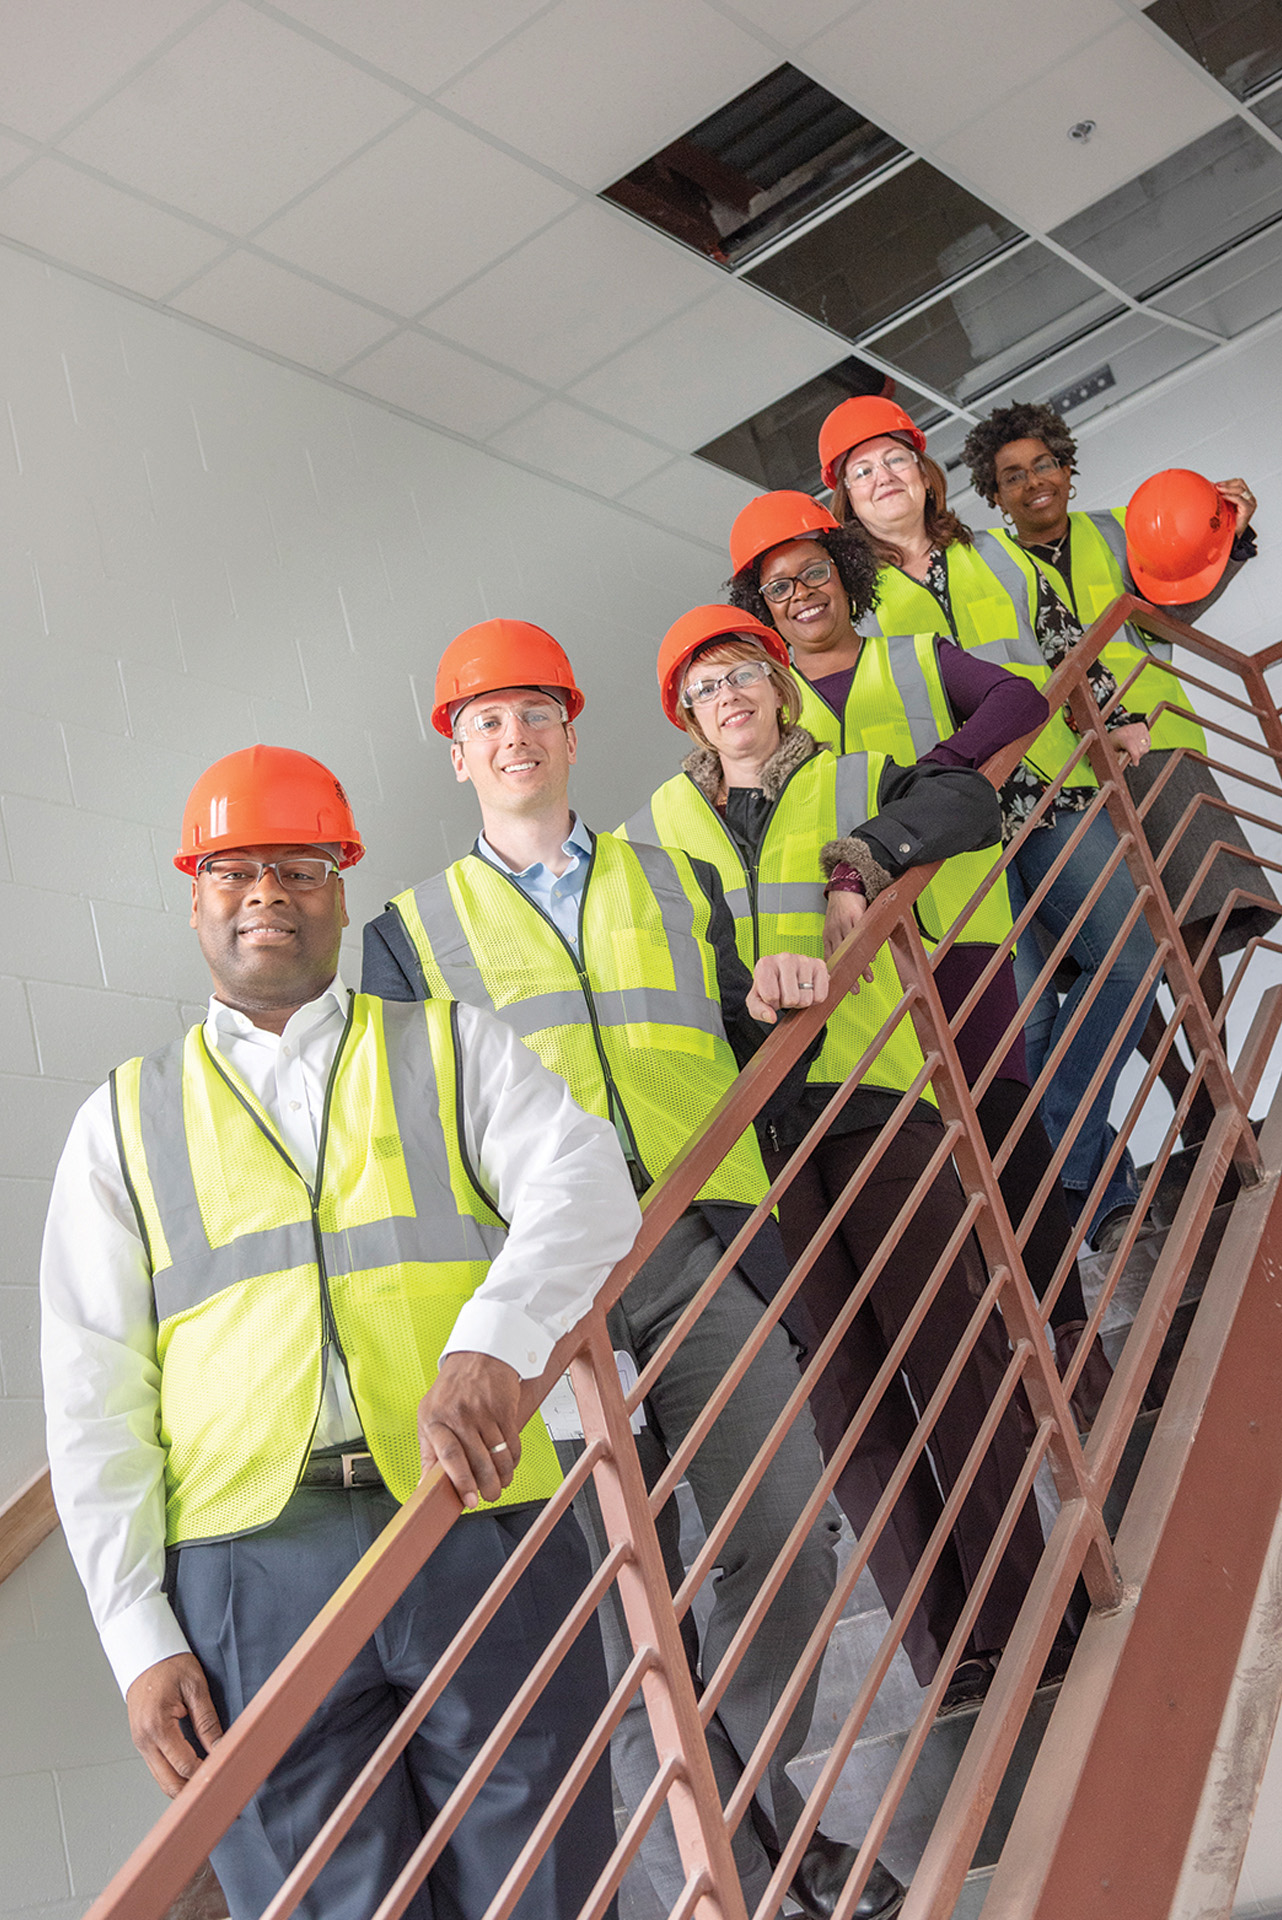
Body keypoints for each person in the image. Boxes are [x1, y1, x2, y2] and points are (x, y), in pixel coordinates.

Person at [362, 621, 906, 1920]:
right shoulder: (407, 935)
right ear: (456, 755)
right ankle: (785, 1853)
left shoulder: (672, 876)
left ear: (570, 728)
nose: (512, 737)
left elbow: (724, 1022)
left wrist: (777, 980)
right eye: (484, 721)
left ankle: (747, 1797)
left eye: (534, 711)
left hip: (700, 1246)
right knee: (627, 1592)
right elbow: (409, 1142)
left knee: (783, 1530)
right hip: (550, 1301)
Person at [41, 744, 643, 1920]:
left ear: (343, 889)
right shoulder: (120, 1121)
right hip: (244, 1580)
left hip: (472, 1518)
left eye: (302, 868)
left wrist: (496, 1339)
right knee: (323, 1903)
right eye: (237, 870)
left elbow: (586, 1185)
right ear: (198, 895)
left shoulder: (450, 1044)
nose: (269, 893)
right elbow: (91, 1393)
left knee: (549, 1883)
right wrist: (135, 1632)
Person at [623, 602, 1055, 1718]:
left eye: (740, 677)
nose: (727, 700)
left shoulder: (860, 772)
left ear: (775, 686)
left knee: (949, 1347)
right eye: (703, 689)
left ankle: (1027, 1610)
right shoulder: (652, 836)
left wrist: (863, 859)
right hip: (751, 1138)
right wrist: (743, 992)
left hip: (872, 1088)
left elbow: (965, 798)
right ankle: (944, 1642)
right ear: (687, 715)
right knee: (849, 1397)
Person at [725, 490, 1111, 1428]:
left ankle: (1072, 1345)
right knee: (928, 1163)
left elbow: (1019, 697)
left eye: (816, 570)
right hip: (854, 973)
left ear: (846, 574)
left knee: (1004, 1126)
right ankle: (1003, 1365)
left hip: (953, 925)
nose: (802, 593)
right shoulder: (767, 710)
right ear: (762, 607)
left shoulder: (908, 656)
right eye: (778, 587)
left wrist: (941, 768)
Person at [819, 393, 1159, 1254]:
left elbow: (1062, 646)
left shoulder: (1000, 555)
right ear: (846, 501)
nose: (884, 479)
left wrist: (1115, 720)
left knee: (1133, 955)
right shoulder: (847, 599)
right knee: (1029, 1018)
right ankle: (1098, 1199)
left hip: (1054, 793)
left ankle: (1069, 1174)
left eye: (895, 460)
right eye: (863, 472)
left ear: (924, 474)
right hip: (955, 833)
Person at [960, 401, 1279, 1150]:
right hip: (1062, 776)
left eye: (1044, 464)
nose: (1034, 482)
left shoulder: (1122, 528)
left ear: (1068, 467)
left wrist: (1225, 535)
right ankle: (1197, 1110)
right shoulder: (984, 568)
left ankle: (1215, 1095)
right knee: (1111, 954)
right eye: (1012, 476)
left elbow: (1178, 604)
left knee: (1192, 929)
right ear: (994, 495)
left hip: (1158, 747)